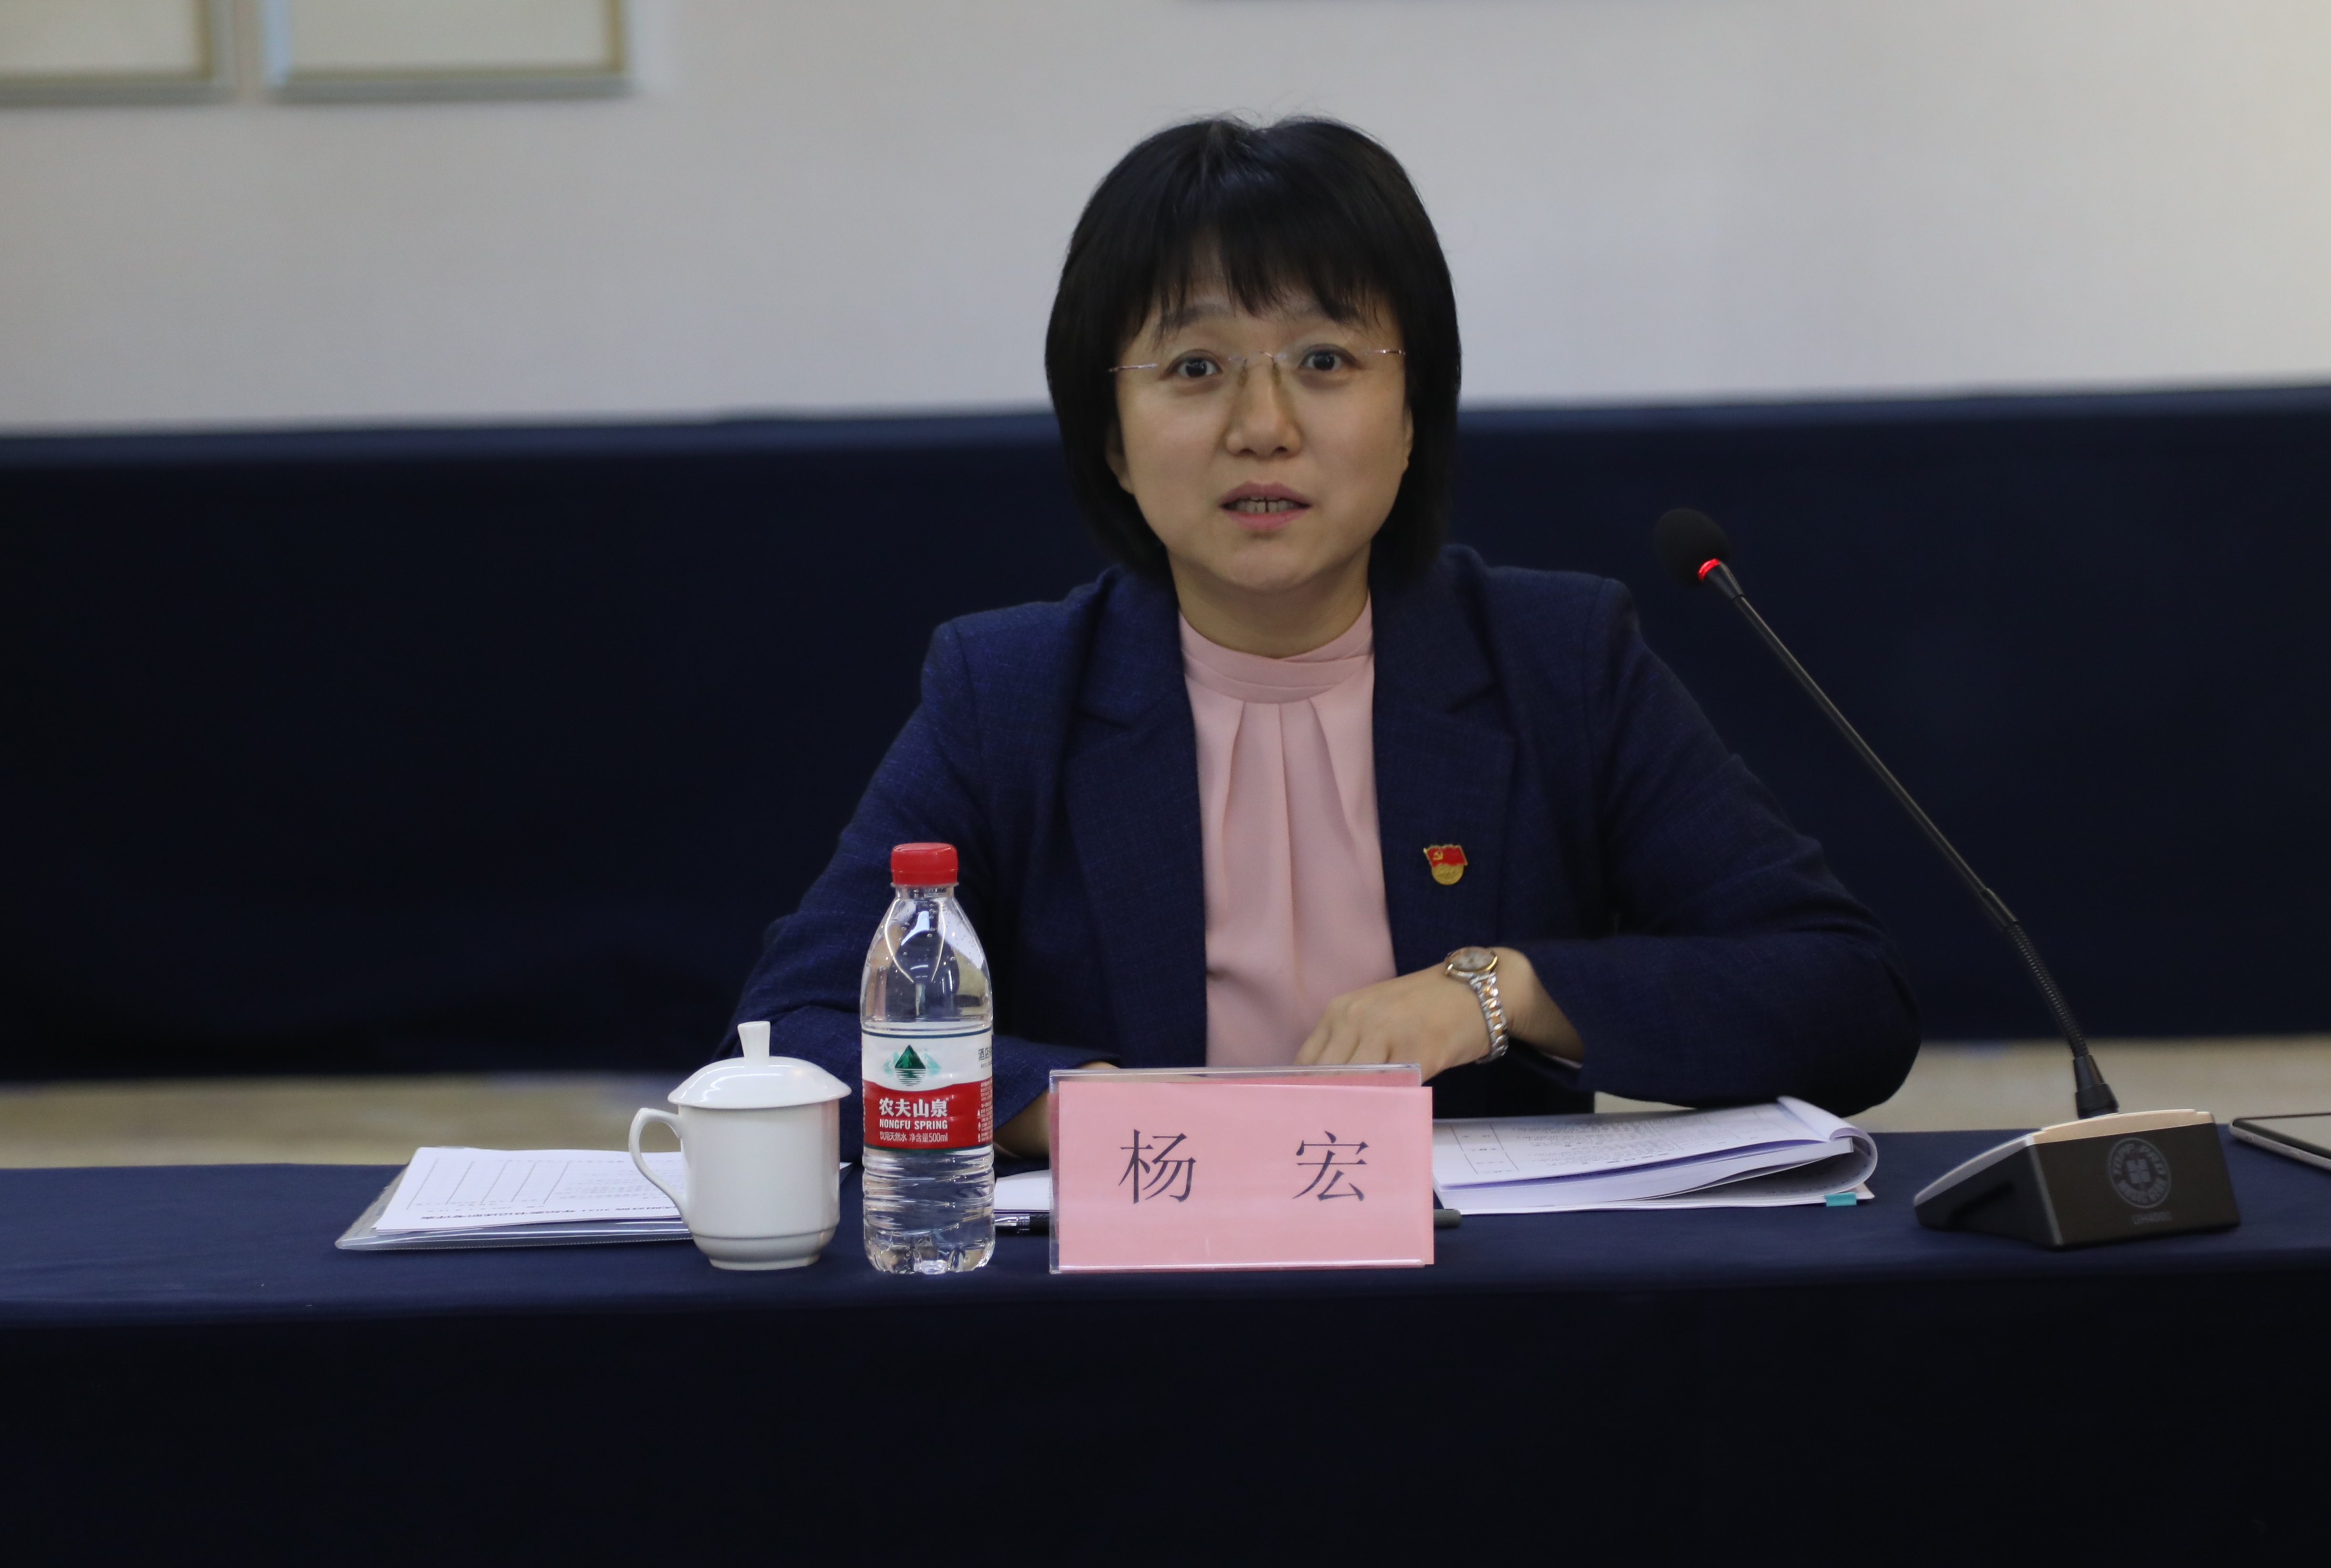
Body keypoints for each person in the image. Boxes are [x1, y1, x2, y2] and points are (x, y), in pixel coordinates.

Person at [736, 115, 1917, 1161]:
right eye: (1195, 367)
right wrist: (1073, 1106)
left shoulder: (1556, 660)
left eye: (1325, 360)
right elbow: (797, 1030)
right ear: (1112, 438)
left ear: (1412, 418)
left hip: (1469, 1304)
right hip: (1133, 1295)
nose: (1264, 426)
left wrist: (1504, 992)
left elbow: (1844, 998)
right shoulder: (1011, 691)